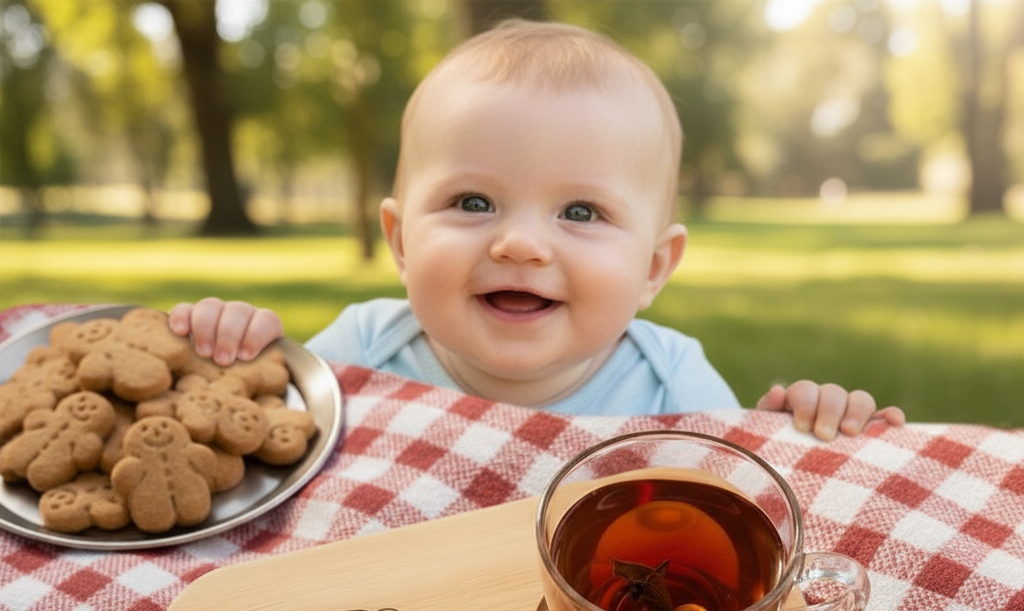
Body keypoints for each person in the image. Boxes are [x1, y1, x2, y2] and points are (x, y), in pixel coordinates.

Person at [169, 19, 904, 441]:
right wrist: (227, 353)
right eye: (472, 202)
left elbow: (746, 495)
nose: (519, 244)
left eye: (580, 212)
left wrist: (806, 433)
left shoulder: (672, 385)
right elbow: (245, 443)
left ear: (654, 268)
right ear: (400, 242)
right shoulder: (358, 353)